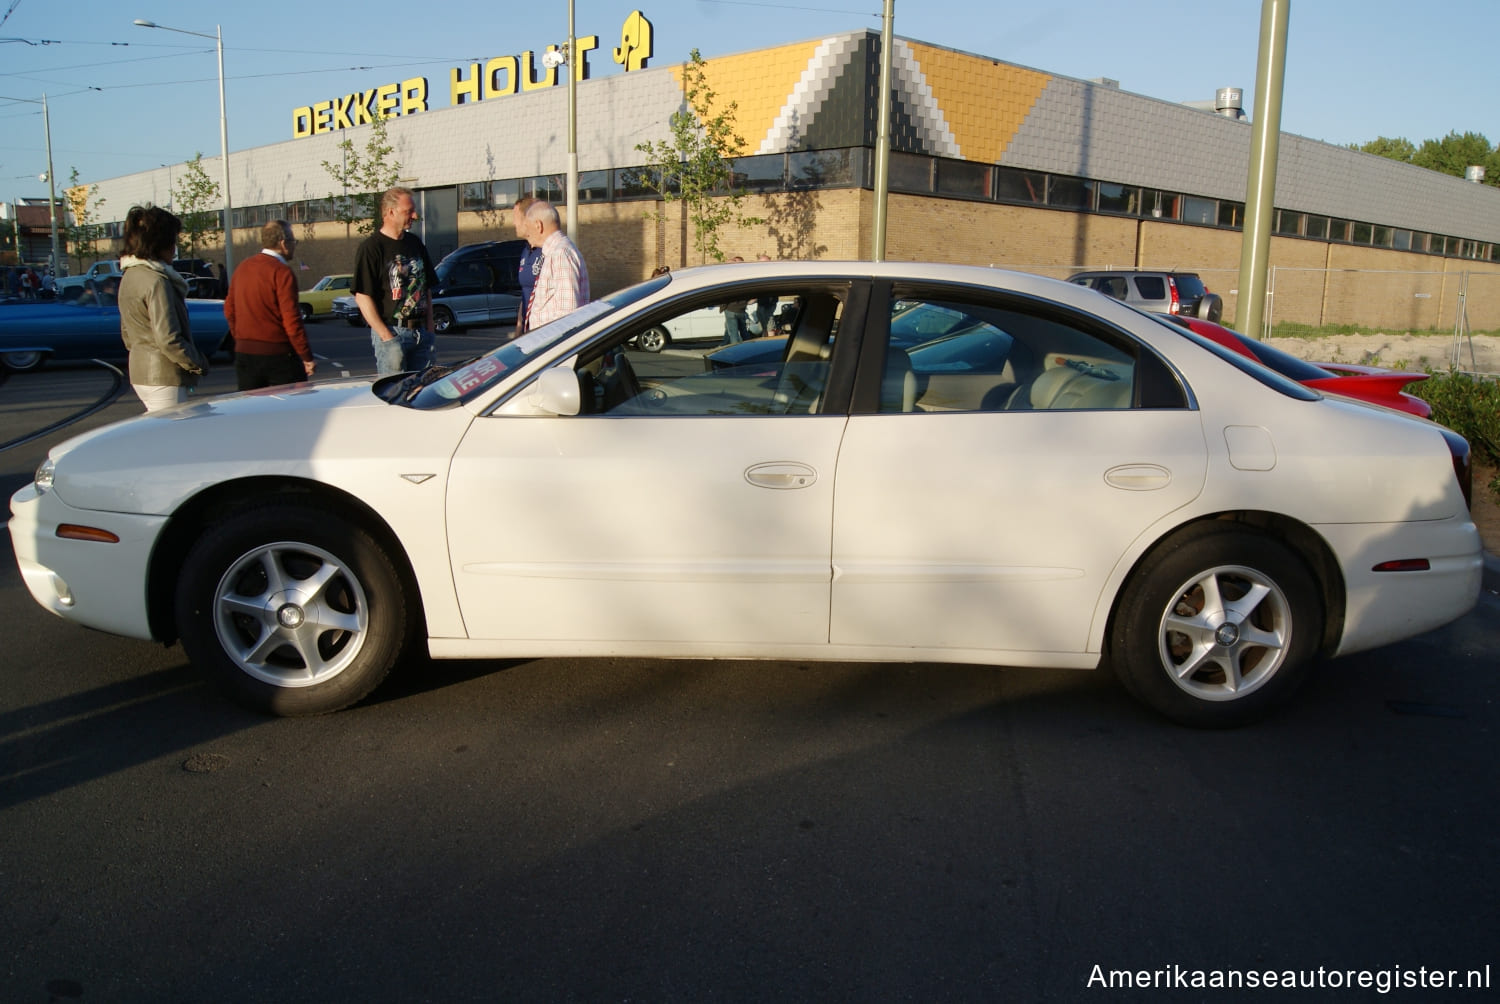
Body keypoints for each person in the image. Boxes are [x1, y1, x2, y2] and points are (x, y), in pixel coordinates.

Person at [118, 205, 209, 411]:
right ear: (160, 244)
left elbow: (126, 333)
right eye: (173, 242)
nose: (175, 250)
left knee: (160, 433)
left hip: (140, 371)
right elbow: (168, 339)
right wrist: (197, 362)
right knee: (173, 436)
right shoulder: (157, 281)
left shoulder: (129, 276)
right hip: (164, 374)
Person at [351, 186, 436, 376]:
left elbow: (426, 287)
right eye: (409, 211)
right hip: (393, 333)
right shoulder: (372, 248)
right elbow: (363, 297)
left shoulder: (415, 243)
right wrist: (386, 337)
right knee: (395, 393)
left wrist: (430, 329)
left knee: (424, 394)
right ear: (390, 212)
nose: (414, 216)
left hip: (421, 334)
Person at [224, 219, 317, 390]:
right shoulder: (282, 272)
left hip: (245, 353)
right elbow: (291, 320)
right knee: (291, 409)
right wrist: (306, 356)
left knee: (253, 412)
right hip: (278, 355)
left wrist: (240, 336)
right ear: (283, 243)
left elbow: (229, 309)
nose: (294, 246)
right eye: (293, 241)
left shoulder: (242, 268)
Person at [522, 200, 589, 329]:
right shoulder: (555, 252)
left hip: (553, 343)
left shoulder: (560, 254)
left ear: (538, 225)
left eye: (527, 226)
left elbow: (568, 316)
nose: (526, 234)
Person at [511, 195, 544, 334]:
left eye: (515, 217)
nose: (513, 223)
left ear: (527, 220)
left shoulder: (548, 251)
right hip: (527, 332)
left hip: (542, 331)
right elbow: (525, 293)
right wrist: (519, 330)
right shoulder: (525, 250)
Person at [720, 256, 748, 345]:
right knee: (744, 332)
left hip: (731, 308)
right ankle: (750, 347)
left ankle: (735, 352)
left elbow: (725, 294)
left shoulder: (728, 277)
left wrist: (723, 307)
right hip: (741, 309)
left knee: (733, 334)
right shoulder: (744, 277)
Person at [753, 253, 776, 336]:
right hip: (761, 303)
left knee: (769, 325)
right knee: (764, 326)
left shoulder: (772, 274)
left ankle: (771, 342)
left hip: (768, 304)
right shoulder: (760, 274)